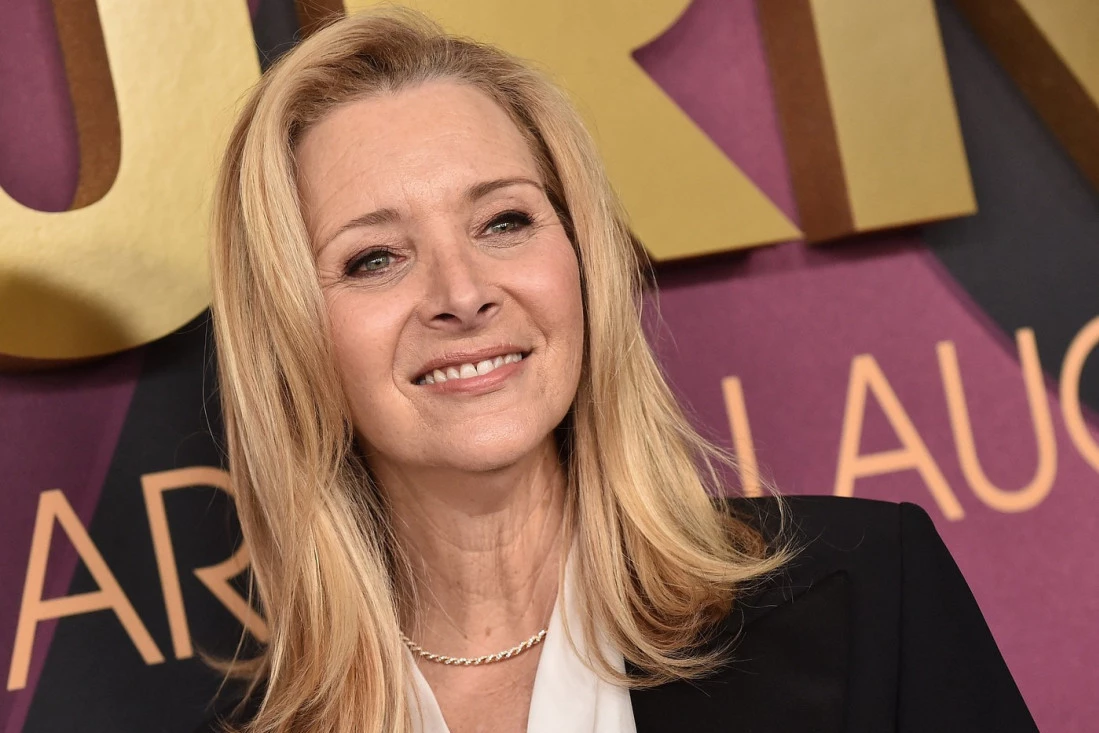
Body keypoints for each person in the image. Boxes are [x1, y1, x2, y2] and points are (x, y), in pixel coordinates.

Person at [199, 7, 1037, 733]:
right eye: (375, 258)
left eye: (503, 221)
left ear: (580, 257)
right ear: (290, 337)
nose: (461, 294)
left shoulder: (866, 594)